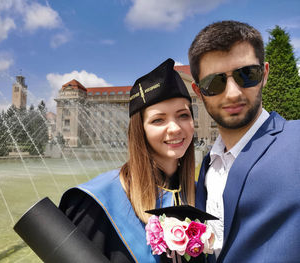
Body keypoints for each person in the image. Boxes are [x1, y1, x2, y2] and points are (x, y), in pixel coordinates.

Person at [59, 58, 204, 262]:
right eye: (158, 119)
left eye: (183, 115)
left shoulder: (201, 196)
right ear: (140, 130)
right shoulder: (97, 204)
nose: (175, 128)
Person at [188, 20, 300, 262]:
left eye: (246, 75)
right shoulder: (208, 165)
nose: (233, 93)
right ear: (199, 92)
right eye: (214, 83)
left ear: (265, 74)